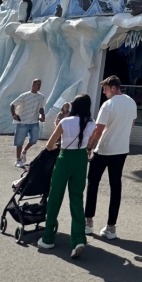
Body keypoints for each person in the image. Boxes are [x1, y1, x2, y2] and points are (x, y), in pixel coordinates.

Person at [38, 94, 96, 259]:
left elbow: (50, 145)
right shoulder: (91, 124)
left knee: (55, 196)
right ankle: (78, 239)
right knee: (77, 199)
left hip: (65, 159)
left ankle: (48, 237)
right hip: (81, 159)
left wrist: (58, 145)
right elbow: (90, 142)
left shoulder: (65, 122)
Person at [84, 75, 138, 240]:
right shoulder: (131, 102)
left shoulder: (108, 105)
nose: (104, 92)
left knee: (93, 184)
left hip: (105, 149)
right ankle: (111, 227)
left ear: (113, 87)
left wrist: (89, 147)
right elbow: (132, 123)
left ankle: (88, 222)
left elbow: (98, 130)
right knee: (116, 187)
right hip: (121, 150)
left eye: (106, 89)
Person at [10, 79, 46, 168]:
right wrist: (14, 114)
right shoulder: (25, 95)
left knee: (34, 139)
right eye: (37, 84)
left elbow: (41, 108)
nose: (39, 86)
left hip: (34, 121)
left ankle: (24, 151)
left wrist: (42, 115)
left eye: (40, 85)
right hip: (23, 121)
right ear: (33, 85)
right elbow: (12, 104)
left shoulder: (41, 97)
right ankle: (18, 160)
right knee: (19, 141)